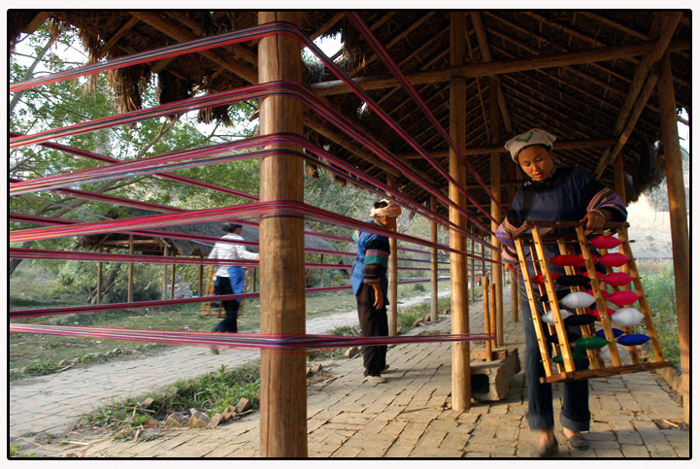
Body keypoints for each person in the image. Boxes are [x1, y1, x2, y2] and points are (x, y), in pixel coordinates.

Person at [495, 128, 627, 457]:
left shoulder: (577, 180)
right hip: (536, 284)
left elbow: (611, 203)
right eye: (526, 164)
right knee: (537, 353)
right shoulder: (522, 196)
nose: (534, 167)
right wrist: (509, 229)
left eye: (539, 159)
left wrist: (598, 215)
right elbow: (507, 237)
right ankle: (544, 431)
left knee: (577, 347)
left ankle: (574, 423)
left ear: (552, 155)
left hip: (576, 280)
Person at [351, 199, 402, 383]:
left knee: (380, 323)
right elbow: (371, 268)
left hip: (368, 279)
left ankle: (379, 364)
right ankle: (371, 371)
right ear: (386, 219)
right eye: (394, 219)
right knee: (372, 326)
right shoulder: (378, 238)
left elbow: (355, 235)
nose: (396, 223)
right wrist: (378, 291)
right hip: (369, 283)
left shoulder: (368, 227)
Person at [208, 223, 259, 336]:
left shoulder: (221, 240)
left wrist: (222, 263)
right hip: (232, 279)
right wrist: (257, 256)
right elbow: (242, 254)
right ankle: (218, 329)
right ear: (237, 229)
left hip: (220, 278)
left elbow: (211, 257)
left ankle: (233, 338)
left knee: (229, 310)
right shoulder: (238, 239)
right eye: (241, 228)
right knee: (232, 310)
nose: (241, 230)